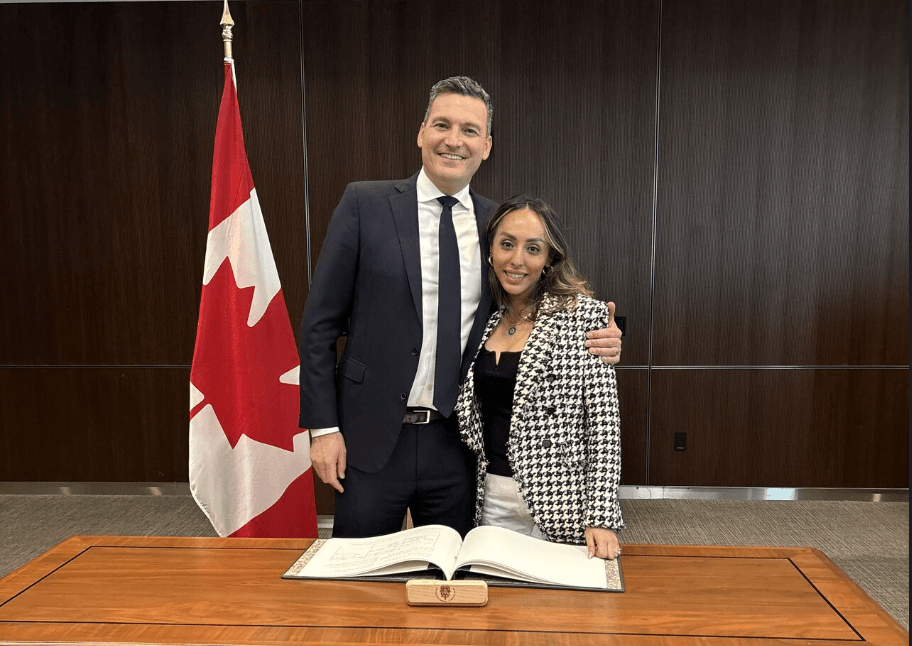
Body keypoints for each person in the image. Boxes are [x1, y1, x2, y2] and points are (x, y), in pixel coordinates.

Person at [299, 77, 622, 539]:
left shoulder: (498, 224)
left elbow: (536, 299)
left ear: (486, 146)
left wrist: (601, 339)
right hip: (367, 438)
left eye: (470, 130)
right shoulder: (363, 204)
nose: (454, 140)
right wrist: (323, 429)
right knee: (360, 580)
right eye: (442, 125)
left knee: (453, 579)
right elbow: (318, 326)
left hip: (459, 445)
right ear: (421, 132)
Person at [455, 194, 624, 560]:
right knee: (499, 608)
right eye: (507, 245)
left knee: (562, 613)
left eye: (533, 248)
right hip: (489, 502)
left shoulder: (585, 317)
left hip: (561, 502)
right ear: (490, 252)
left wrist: (602, 515)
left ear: (549, 260)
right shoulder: (480, 318)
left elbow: (604, 426)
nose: (517, 260)